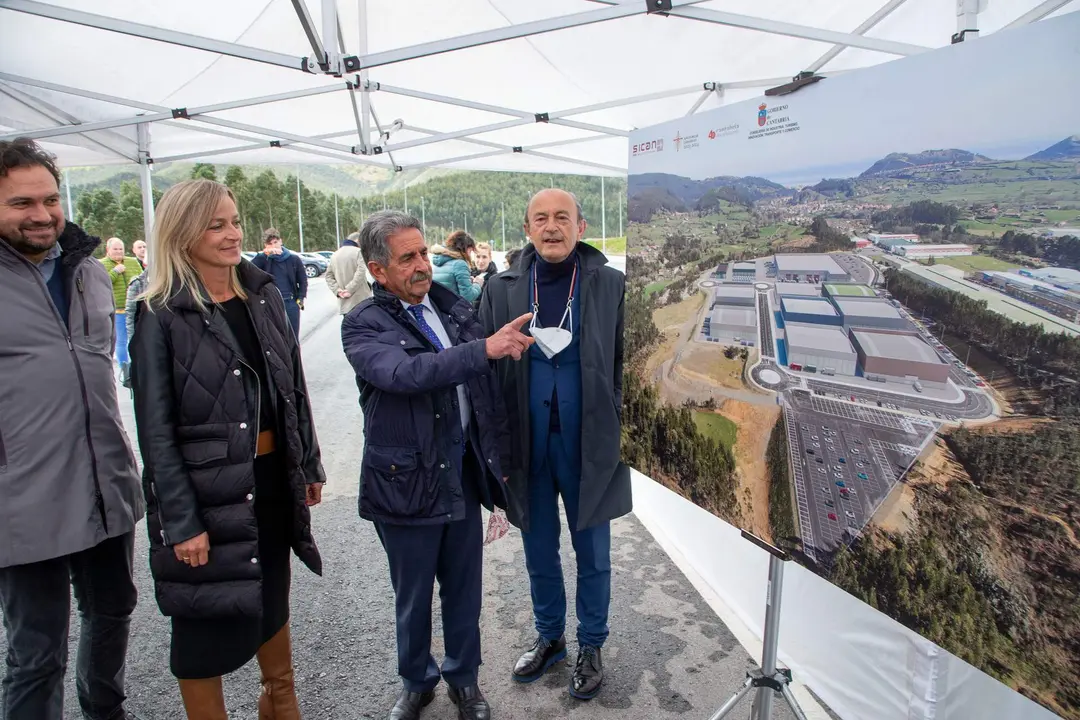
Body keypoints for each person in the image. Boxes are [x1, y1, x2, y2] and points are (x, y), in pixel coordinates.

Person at [129, 179, 326, 719]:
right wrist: (182, 520)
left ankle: (280, 703)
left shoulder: (261, 292)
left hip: (268, 481)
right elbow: (156, 432)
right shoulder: (160, 313)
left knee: (272, 601)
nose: (232, 233)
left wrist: (306, 461)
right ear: (183, 233)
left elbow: (292, 388)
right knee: (202, 627)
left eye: (234, 221)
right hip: (205, 494)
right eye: (215, 225)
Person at [341, 210, 534, 720]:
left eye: (423, 252)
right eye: (407, 258)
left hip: (462, 476)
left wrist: (501, 460)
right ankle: (416, 681)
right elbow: (405, 373)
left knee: (464, 590)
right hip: (404, 483)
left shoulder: (454, 309)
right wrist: (482, 350)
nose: (422, 264)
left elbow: (485, 395)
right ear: (377, 270)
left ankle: (464, 680)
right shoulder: (363, 323)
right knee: (413, 594)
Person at [0, 138, 145, 720]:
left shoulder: (85, 270)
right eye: (21, 203)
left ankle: (105, 712)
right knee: (36, 653)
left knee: (112, 611)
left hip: (105, 481)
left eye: (50, 199)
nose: (41, 214)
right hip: (21, 497)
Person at [479, 188, 628, 701]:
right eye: (540, 219)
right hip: (527, 443)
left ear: (581, 227)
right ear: (527, 230)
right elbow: (483, 363)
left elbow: (625, 361)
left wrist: (617, 420)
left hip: (589, 443)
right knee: (538, 547)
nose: (551, 227)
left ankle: (592, 643)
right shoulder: (501, 288)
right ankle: (550, 637)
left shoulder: (610, 284)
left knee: (594, 551)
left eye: (561, 217)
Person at [100, 236, 143, 385]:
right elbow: (101, 283)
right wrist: (115, 272)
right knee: (121, 341)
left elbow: (142, 277)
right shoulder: (101, 264)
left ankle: (138, 366)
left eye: (121, 249)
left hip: (136, 307)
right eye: (115, 249)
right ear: (108, 250)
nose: (118, 252)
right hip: (116, 309)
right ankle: (126, 370)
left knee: (138, 338)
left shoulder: (132, 262)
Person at [251, 227, 307, 338]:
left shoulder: (293, 259)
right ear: (265, 246)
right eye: (269, 244)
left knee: (292, 337)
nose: (273, 246)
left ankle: (294, 356)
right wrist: (263, 255)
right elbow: (249, 270)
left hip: (290, 302)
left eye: (275, 242)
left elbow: (303, 281)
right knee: (275, 338)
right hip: (270, 303)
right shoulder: (263, 259)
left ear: (280, 241)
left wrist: (300, 299)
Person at [325, 231, 371, 314]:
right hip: (360, 300)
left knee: (349, 325)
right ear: (357, 241)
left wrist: (338, 291)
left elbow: (328, 276)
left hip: (344, 302)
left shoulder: (335, 254)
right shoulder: (358, 252)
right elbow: (361, 272)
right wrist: (349, 289)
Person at [431, 230, 482, 303]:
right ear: (466, 248)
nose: (470, 255)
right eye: (470, 251)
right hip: (453, 310)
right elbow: (467, 296)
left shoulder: (438, 263)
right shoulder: (460, 264)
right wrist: (478, 284)